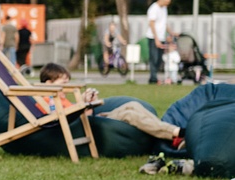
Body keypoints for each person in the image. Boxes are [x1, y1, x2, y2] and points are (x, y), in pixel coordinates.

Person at [38, 62, 185, 146]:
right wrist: (81, 105)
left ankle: (170, 133)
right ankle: (176, 133)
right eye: (63, 83)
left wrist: (85, 103)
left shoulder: (62, 99)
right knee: (129, 114)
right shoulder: (48, 101)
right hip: (86, 125)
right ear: (49, 83)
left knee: (132, 104)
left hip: (90, 120)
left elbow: (80, 114)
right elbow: (63, 119)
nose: (67, 87)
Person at [147, 0, 174, 84]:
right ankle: (153, 79)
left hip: (162, 37)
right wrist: (156, 39)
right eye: (166, 2)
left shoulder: (164, 8)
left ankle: (153, 78)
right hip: (153, 37)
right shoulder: (153, 8)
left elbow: (164, 23)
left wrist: (170, 33)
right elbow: (151, 24)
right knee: (154, 58)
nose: (167, 4)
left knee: (159, 59)